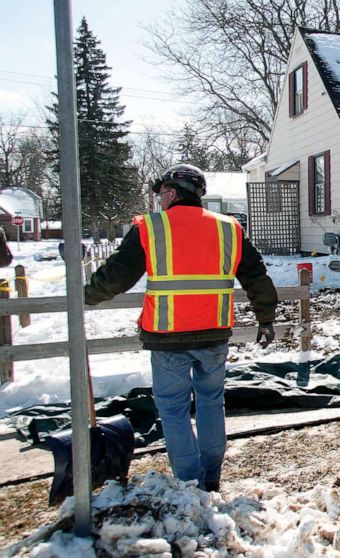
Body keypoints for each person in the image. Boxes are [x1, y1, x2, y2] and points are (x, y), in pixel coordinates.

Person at [84, 164, 278, 491]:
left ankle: (190, 484)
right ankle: (211, 478)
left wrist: (86, 296)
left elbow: (116, 277)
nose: (159, 200)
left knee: (173, 412)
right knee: (211, 403)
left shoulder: (150, 228)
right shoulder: (229, 228)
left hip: (167, 338)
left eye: (161, 194)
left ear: (173, 192)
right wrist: (266, 317)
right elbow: (256, 276)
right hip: (214, 336)